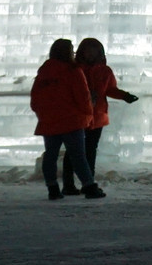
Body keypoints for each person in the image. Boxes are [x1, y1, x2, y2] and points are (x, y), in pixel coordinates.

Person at [63, 37, 138, 195]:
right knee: (73, 151)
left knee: (90, 150)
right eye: (88, 50)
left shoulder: (105, 71)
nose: (91, 54)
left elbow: (110, 89)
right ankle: (69, 184)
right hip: (78, 116)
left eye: (94, 51)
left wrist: (124, 96)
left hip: (97, 117)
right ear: (82, 52)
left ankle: (87, 183)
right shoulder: (75, 69)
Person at [31, 38, 101, 200]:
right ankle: (89, 186)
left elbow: (35, 99)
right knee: (78, 156)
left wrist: (43, 114)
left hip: (49, 121)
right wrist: (89, 115)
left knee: (50, 155)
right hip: (72, 121)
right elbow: (83, 97)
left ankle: (52, 188)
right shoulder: (73, 71)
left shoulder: (44, 72)